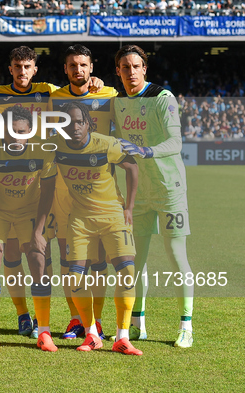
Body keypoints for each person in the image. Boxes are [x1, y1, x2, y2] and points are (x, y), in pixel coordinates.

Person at [0, 45, 104, 338]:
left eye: (28, 67)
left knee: (43, 253)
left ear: (35, 69)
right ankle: (23, 315)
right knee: (11, 255)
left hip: (45, 184)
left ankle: (59, 318)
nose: (22, 71)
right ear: (10, 68)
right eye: (17, 66)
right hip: (8, 187)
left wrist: (95, 81)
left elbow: (79, 90)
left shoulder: (51, 93)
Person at [113, 44, 194, 348]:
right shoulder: (117, 100)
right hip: (139, 194)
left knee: (176, 256)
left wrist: (147, 151)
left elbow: (176, 141)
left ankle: (186, 326)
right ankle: (137, 325)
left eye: (136, 66)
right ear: (118, 71)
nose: (131, 72)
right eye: (125, 67)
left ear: (144, 69)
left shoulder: (163, 98)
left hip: (170, 190)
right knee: (136, 261)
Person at [47, 101, 142, 355]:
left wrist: (129, 208)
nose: (75, 127)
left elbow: (132, 166)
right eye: (68, 122)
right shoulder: (55, 146)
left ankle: (122, 337)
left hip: (112, 215)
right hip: (80, 218)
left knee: (126, 270)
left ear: (88, 123)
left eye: (79, 122)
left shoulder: (106, 144)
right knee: (74, 276)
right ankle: (92, 334)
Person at [0, 105, 57, 352]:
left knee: (38, 259)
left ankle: (44, 332)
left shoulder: (43, 150)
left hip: (29, 210)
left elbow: (48, 192)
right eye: (10, 133)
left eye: (21, 132)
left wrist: (38, 232)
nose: (15, 138)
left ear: (30, 131)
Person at [49, 44, 118, 340]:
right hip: (64, 192)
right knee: (69, 261)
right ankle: (76, 319)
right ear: (65, 69)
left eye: (83, 65)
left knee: (98, 260)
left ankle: (97, 321)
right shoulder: (53, 99)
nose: (78, 70)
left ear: (92, 68)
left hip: (100, 192)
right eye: (73, 65)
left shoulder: (110, 96)